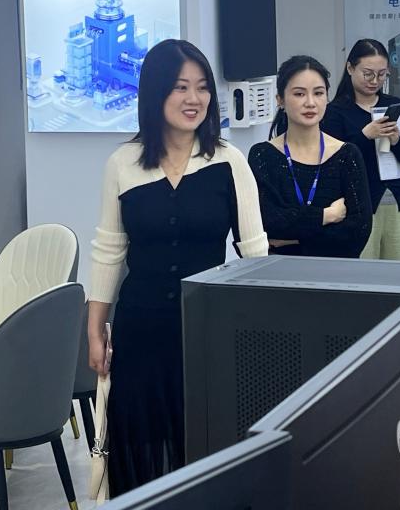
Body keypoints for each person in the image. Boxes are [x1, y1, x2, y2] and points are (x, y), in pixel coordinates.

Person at [86, 39, 269, 495]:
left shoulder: (228, 160)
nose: (194, 99)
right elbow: (108, 250)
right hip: (141, 329)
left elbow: (255, 253)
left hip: (207, 330)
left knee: (203, 439)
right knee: (142, 441)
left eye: (202, 87)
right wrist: (94, 329)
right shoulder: (122, 164)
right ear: (155, 92)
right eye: (180, 87)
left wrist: (259, 331)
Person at [248, 55, 372, 258]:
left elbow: (357, 234)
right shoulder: (262, 155)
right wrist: (326, 216)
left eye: (318, 93)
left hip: (336, 272)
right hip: (279, 273)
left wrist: (292, 239)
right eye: (299, 94)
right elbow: (268, 222)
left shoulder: (347, 155)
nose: (310, 102)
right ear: (280, 100)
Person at [321, 39, 400, 260]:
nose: (375, 81)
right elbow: (332, 164)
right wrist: (365, 136)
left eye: (381, 74)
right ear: (350, 68)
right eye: (367, 74)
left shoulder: (396, 106)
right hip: (357, 206)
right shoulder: (335, 112)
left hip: (397, 201)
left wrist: (396, 141)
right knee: (363, 272)